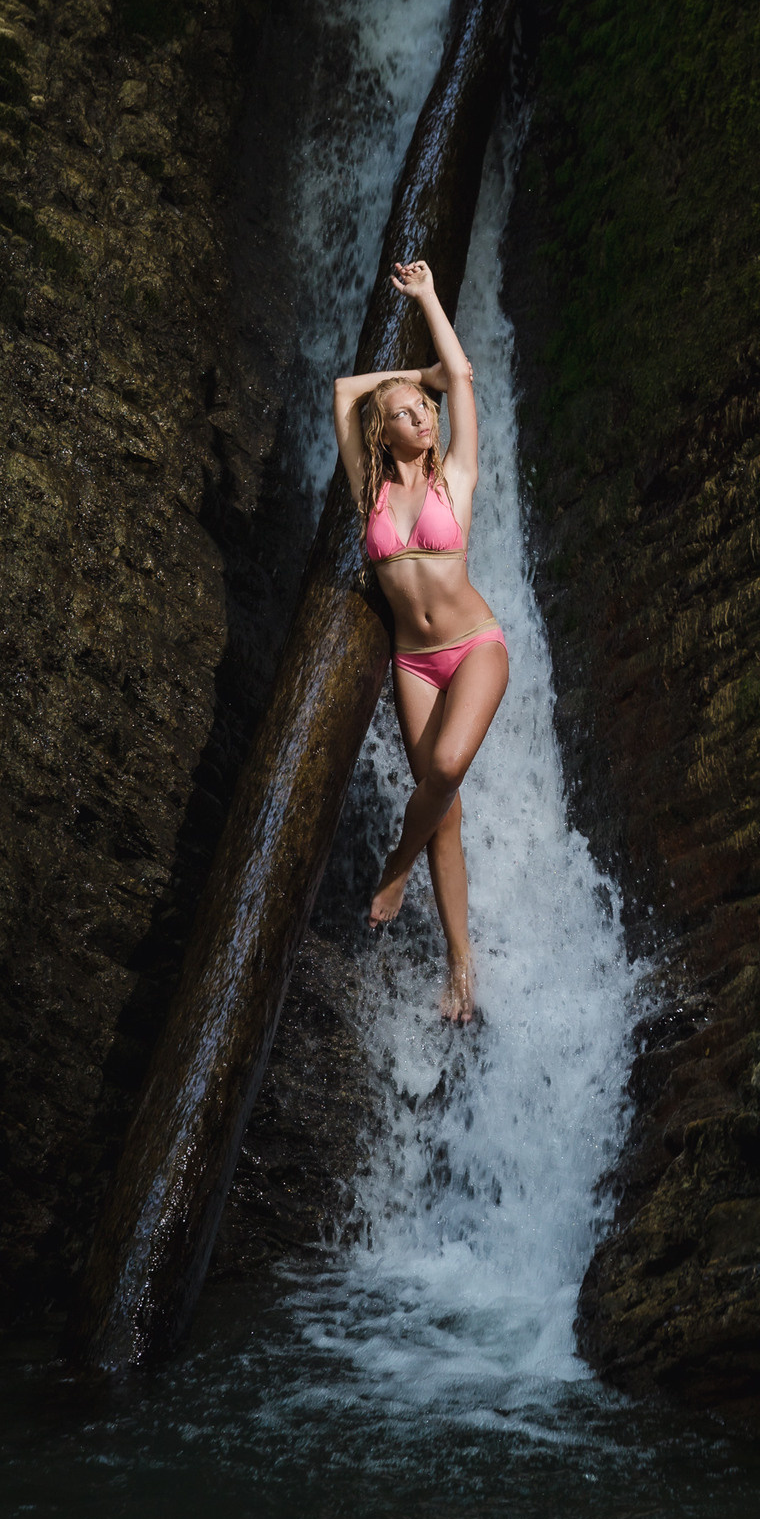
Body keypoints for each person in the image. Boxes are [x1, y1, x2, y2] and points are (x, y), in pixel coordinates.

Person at [332, 259, 508, 1023]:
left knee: (440, 768)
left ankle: (395, 870)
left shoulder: (455, 478)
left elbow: (461, 377)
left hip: (473, 647)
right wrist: (412, 373)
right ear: (385, 430)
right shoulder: (369, 491)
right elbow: (344, 393)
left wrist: (431, 302)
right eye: (406, 412)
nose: (423, 416)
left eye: (425, 410)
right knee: (445, 806)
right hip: (414, 663)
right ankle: (460, 975)